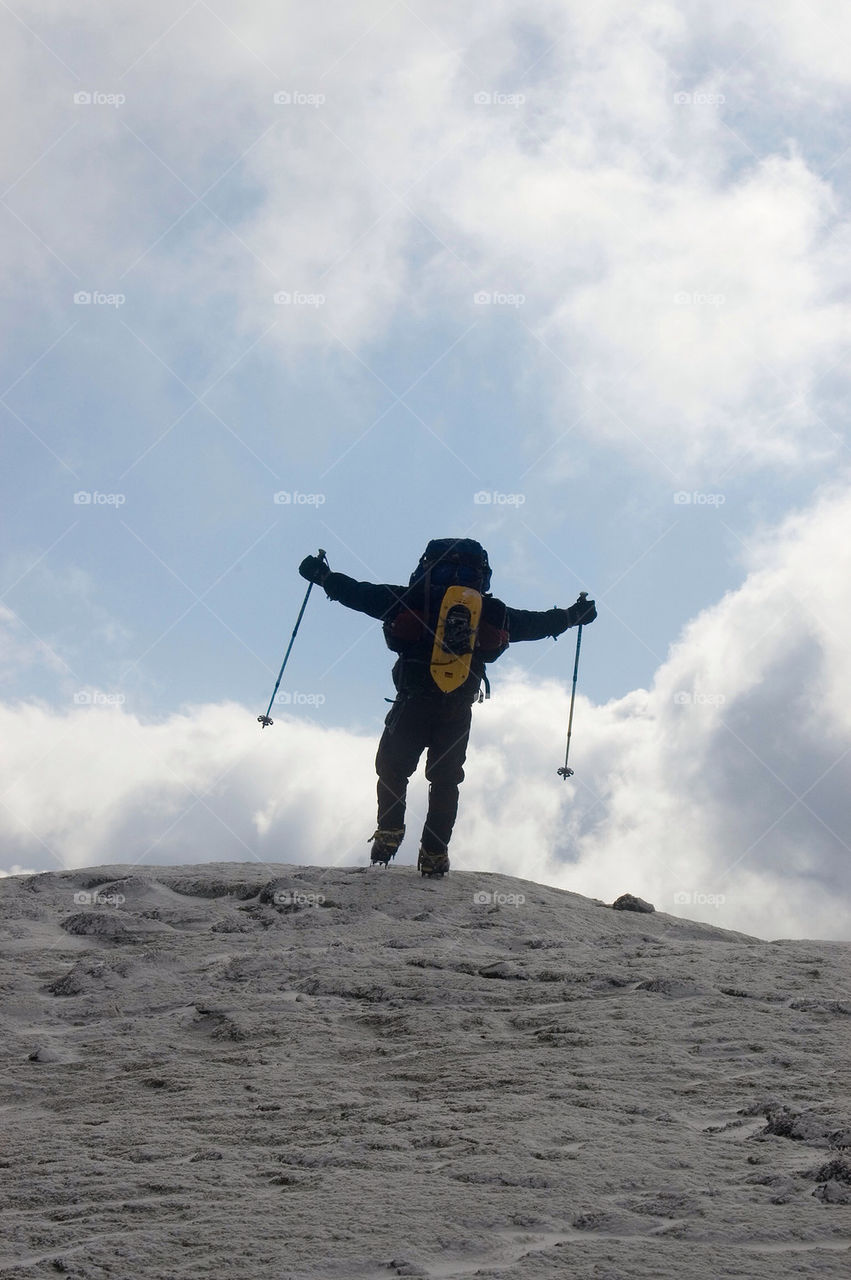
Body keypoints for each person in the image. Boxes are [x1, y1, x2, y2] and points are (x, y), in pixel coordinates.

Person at [299, 538, 596, 876]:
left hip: (412, 702)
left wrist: (324, 577)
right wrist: (573, 615)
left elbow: (359, 594)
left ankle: (389, 833)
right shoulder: (492, 611)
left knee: (392, 769)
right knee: (445, 781)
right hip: (457, 709)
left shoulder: (410, 598)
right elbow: (535, 624)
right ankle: (435, 853)